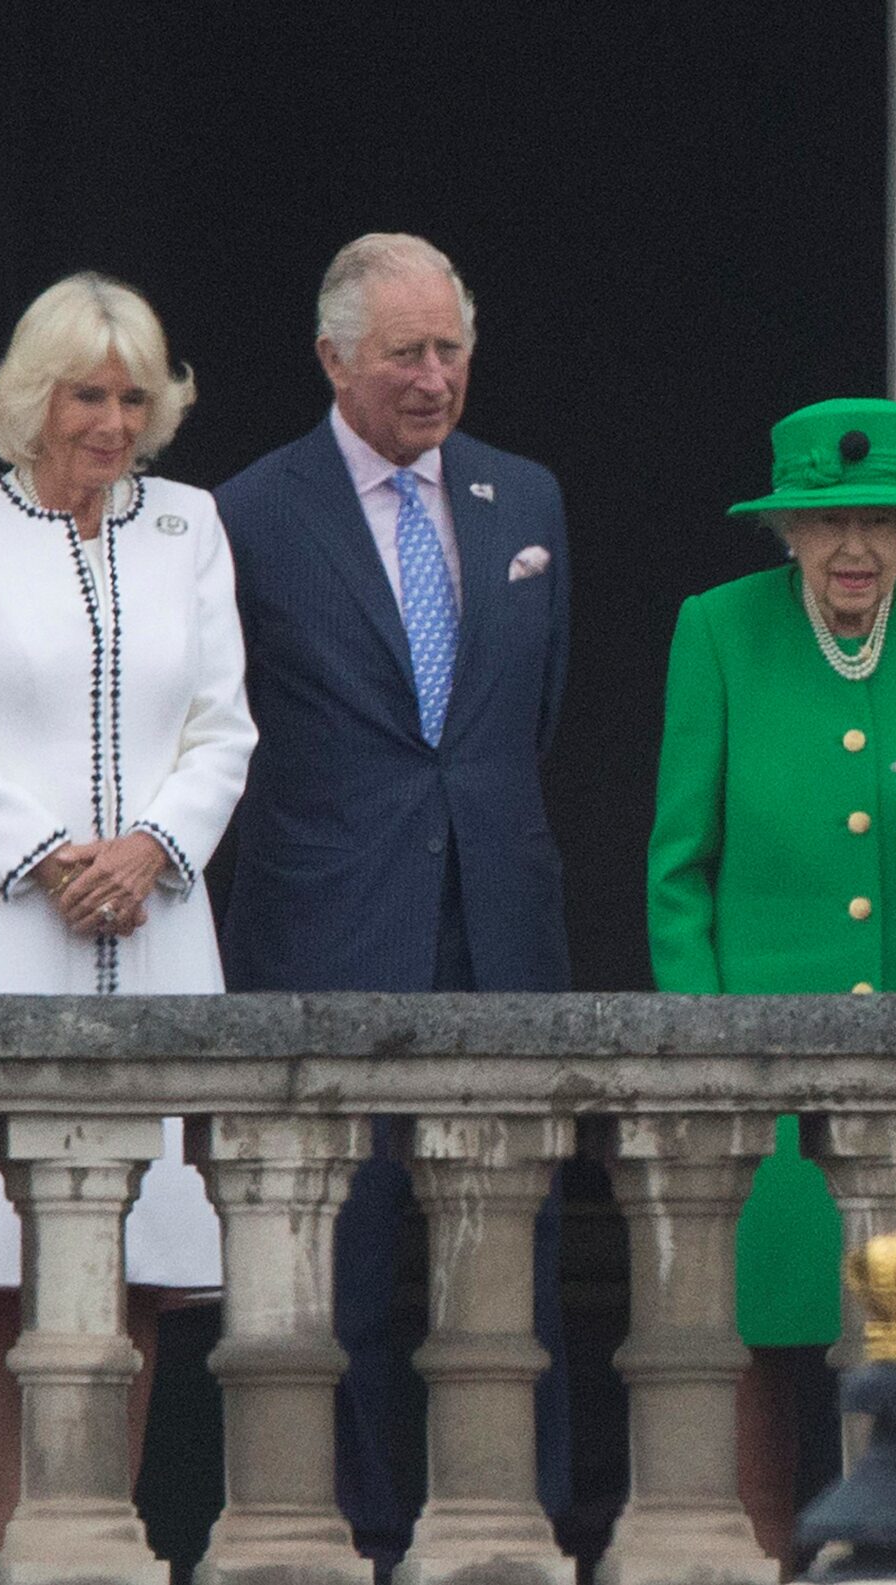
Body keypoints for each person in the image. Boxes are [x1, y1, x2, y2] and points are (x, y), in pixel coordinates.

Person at [0, 271, 255, 1542]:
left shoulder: (189, 525)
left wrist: (149, 849)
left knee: (138, 1245)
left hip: (151, 923)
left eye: (132, 396)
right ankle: (16, 1535)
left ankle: (99, 1534)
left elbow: (222, 728)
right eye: (86, 394)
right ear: (31, 400)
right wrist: (52, 856)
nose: (111, 419)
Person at [214, 233, 574, 1562]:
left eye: (453, 351)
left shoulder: (525, 498)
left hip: (501, 927)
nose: (435, 380)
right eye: (406, 354)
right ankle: (354, 1532)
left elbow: (525, 719)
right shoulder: (246, 512)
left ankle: (513, 1528)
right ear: (333, 360)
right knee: (338, 1269)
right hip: (323, 928)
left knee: (509, 1260)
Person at [648, 396, 896, 1560]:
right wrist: (704, 1043)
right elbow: (681, 867)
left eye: (881, 521)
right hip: (765, 1073)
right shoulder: (719, 630)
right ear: (786, 531)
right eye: (829, 524)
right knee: (769, 1340)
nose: (857, 549)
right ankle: (771, 1553)